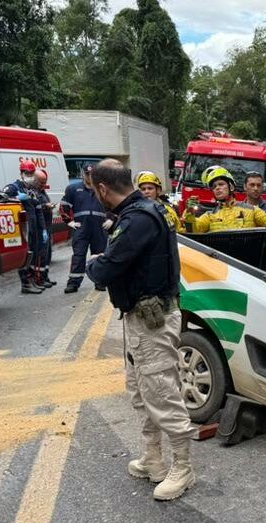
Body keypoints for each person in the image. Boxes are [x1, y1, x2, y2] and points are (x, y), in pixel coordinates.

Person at [85, 159, 196, 501]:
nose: (96, 197)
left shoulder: (138, 219)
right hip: (139, 318)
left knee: (162, 392)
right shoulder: (144, 211)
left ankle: (183, 467)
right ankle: (154, 458)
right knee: (141, 391)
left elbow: (105, 270)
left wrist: (93, 264)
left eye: (95, 191)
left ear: (103, 188)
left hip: (153, 322)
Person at [185, 166, 266, 233]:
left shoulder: (252, 210)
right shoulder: (210, 215)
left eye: (221, 184)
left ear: (231, 187)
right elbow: (193, 230)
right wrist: (189, 213)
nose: (217, 188)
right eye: (214, 187)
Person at [0, 160, 47, 295]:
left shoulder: (32, 190)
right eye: (27, 173)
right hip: (23, 228)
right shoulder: (13, 187)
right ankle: (25, 283)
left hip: (34, 228)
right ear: (21, 173)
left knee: (33, 254)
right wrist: (16, 197)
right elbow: (1, 198)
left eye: (32, 173)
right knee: (26, 256)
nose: (30, 175)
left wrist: (43, 229)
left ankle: (31, 280)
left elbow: (38, 211)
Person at [61, 163, 108, 293]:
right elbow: (64, 206)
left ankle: (100, 282)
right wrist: (68, 221)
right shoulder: (73, 189)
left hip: (100, 227)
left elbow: (112, 205)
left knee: (99, 255)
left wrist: (110, 219)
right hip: (81, 228)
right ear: (83, 174)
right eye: (88, 174)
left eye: (93, 174)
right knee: (79, 255)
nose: (90, 177)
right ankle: (73, 283)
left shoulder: (103, 189)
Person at [34, 168, 56, 288]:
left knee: (47, 254)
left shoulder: (42, 191)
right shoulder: (33, 192)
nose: (44, 185)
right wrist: (45, 206)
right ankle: (39, 279)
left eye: (44, 182)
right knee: (41, 254)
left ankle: (45, 276)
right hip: (40, 228)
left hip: (47, 226)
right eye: (41, 182)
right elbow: (34, 208)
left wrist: (49, 205)